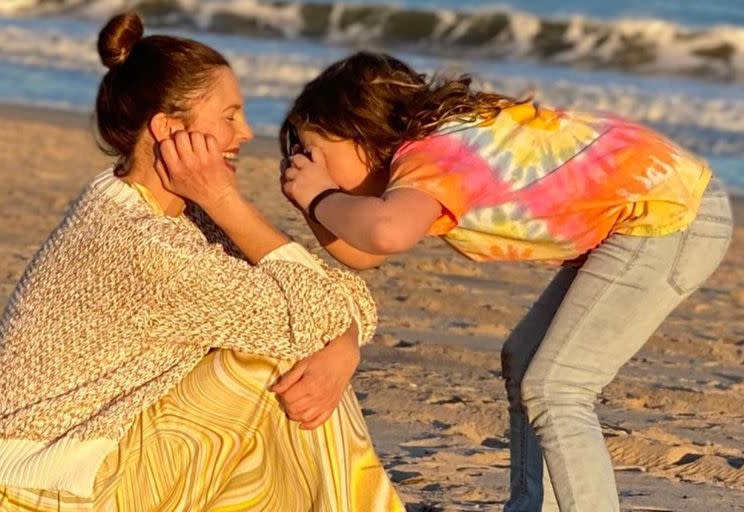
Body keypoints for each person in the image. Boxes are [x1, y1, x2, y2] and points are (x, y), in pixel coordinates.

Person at [0, 16, 403, 512]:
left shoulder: (167, 211)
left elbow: (334, 297)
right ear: (167, 129)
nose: (245, 133)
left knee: (293, 348)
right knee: (271, 361)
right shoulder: (142, 243)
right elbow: (310, 314)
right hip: (43, 495)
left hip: (89, 465)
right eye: (229, 116)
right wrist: (227, 200)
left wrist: (344, 346)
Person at [278, 51, 734, 512]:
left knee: (557, 387)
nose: (309, 167)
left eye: (316, 154)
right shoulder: (426, 156)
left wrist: (320, 197)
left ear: (360, 132)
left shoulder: (433, 154)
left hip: (673, 217)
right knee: (527, 359)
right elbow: (366, 252)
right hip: (644, 218)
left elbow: (385, 232)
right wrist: (313, 203)